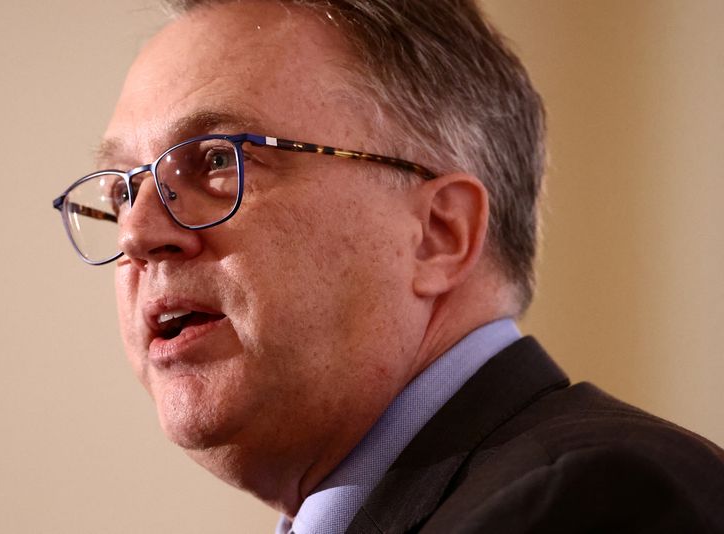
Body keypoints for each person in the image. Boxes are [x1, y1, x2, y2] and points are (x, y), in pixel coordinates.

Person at [52, 0, 724, 532]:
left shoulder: (592, 505)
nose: (138, 231)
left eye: (219, 161)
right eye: (121, 189)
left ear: (437, 233)